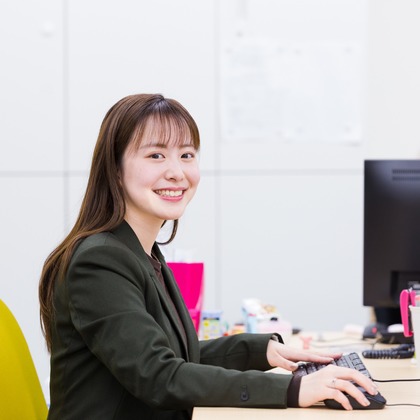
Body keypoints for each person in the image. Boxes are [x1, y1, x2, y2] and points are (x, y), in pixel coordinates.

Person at [39, 93, 379, 419]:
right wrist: (293, 389)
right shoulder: (99, 262)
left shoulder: (140, 250)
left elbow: (173, 355)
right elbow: (158, 375)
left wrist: (261, 352)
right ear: (114, 168)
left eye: (187, 155)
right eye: (156, 155)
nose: (177, 172)